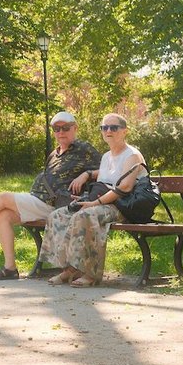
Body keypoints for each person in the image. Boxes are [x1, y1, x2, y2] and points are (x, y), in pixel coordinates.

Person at [0, 111, 100, 281]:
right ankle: (10, 268)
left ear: (75, 128)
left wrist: (87, 174)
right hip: (39, 201)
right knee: (4, 215)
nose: (61, 132)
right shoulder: (55, 153)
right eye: (56, 129)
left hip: (56, 204)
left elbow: (108, 169)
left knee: (3, 197)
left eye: (65, 128)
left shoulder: (84, 149)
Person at [40, 113, 146, 287]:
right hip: (102, 201)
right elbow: (103, 181)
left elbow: (124, 188)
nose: (108, 131)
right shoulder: (106, 156)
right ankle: (69, 268)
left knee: (85, 216)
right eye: (104, 127)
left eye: (113, 127)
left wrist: (94, 203)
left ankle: (90, 274)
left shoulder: (132, 155)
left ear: (125, 131)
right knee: (59, 214)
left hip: (123, 205)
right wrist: (85, 194)